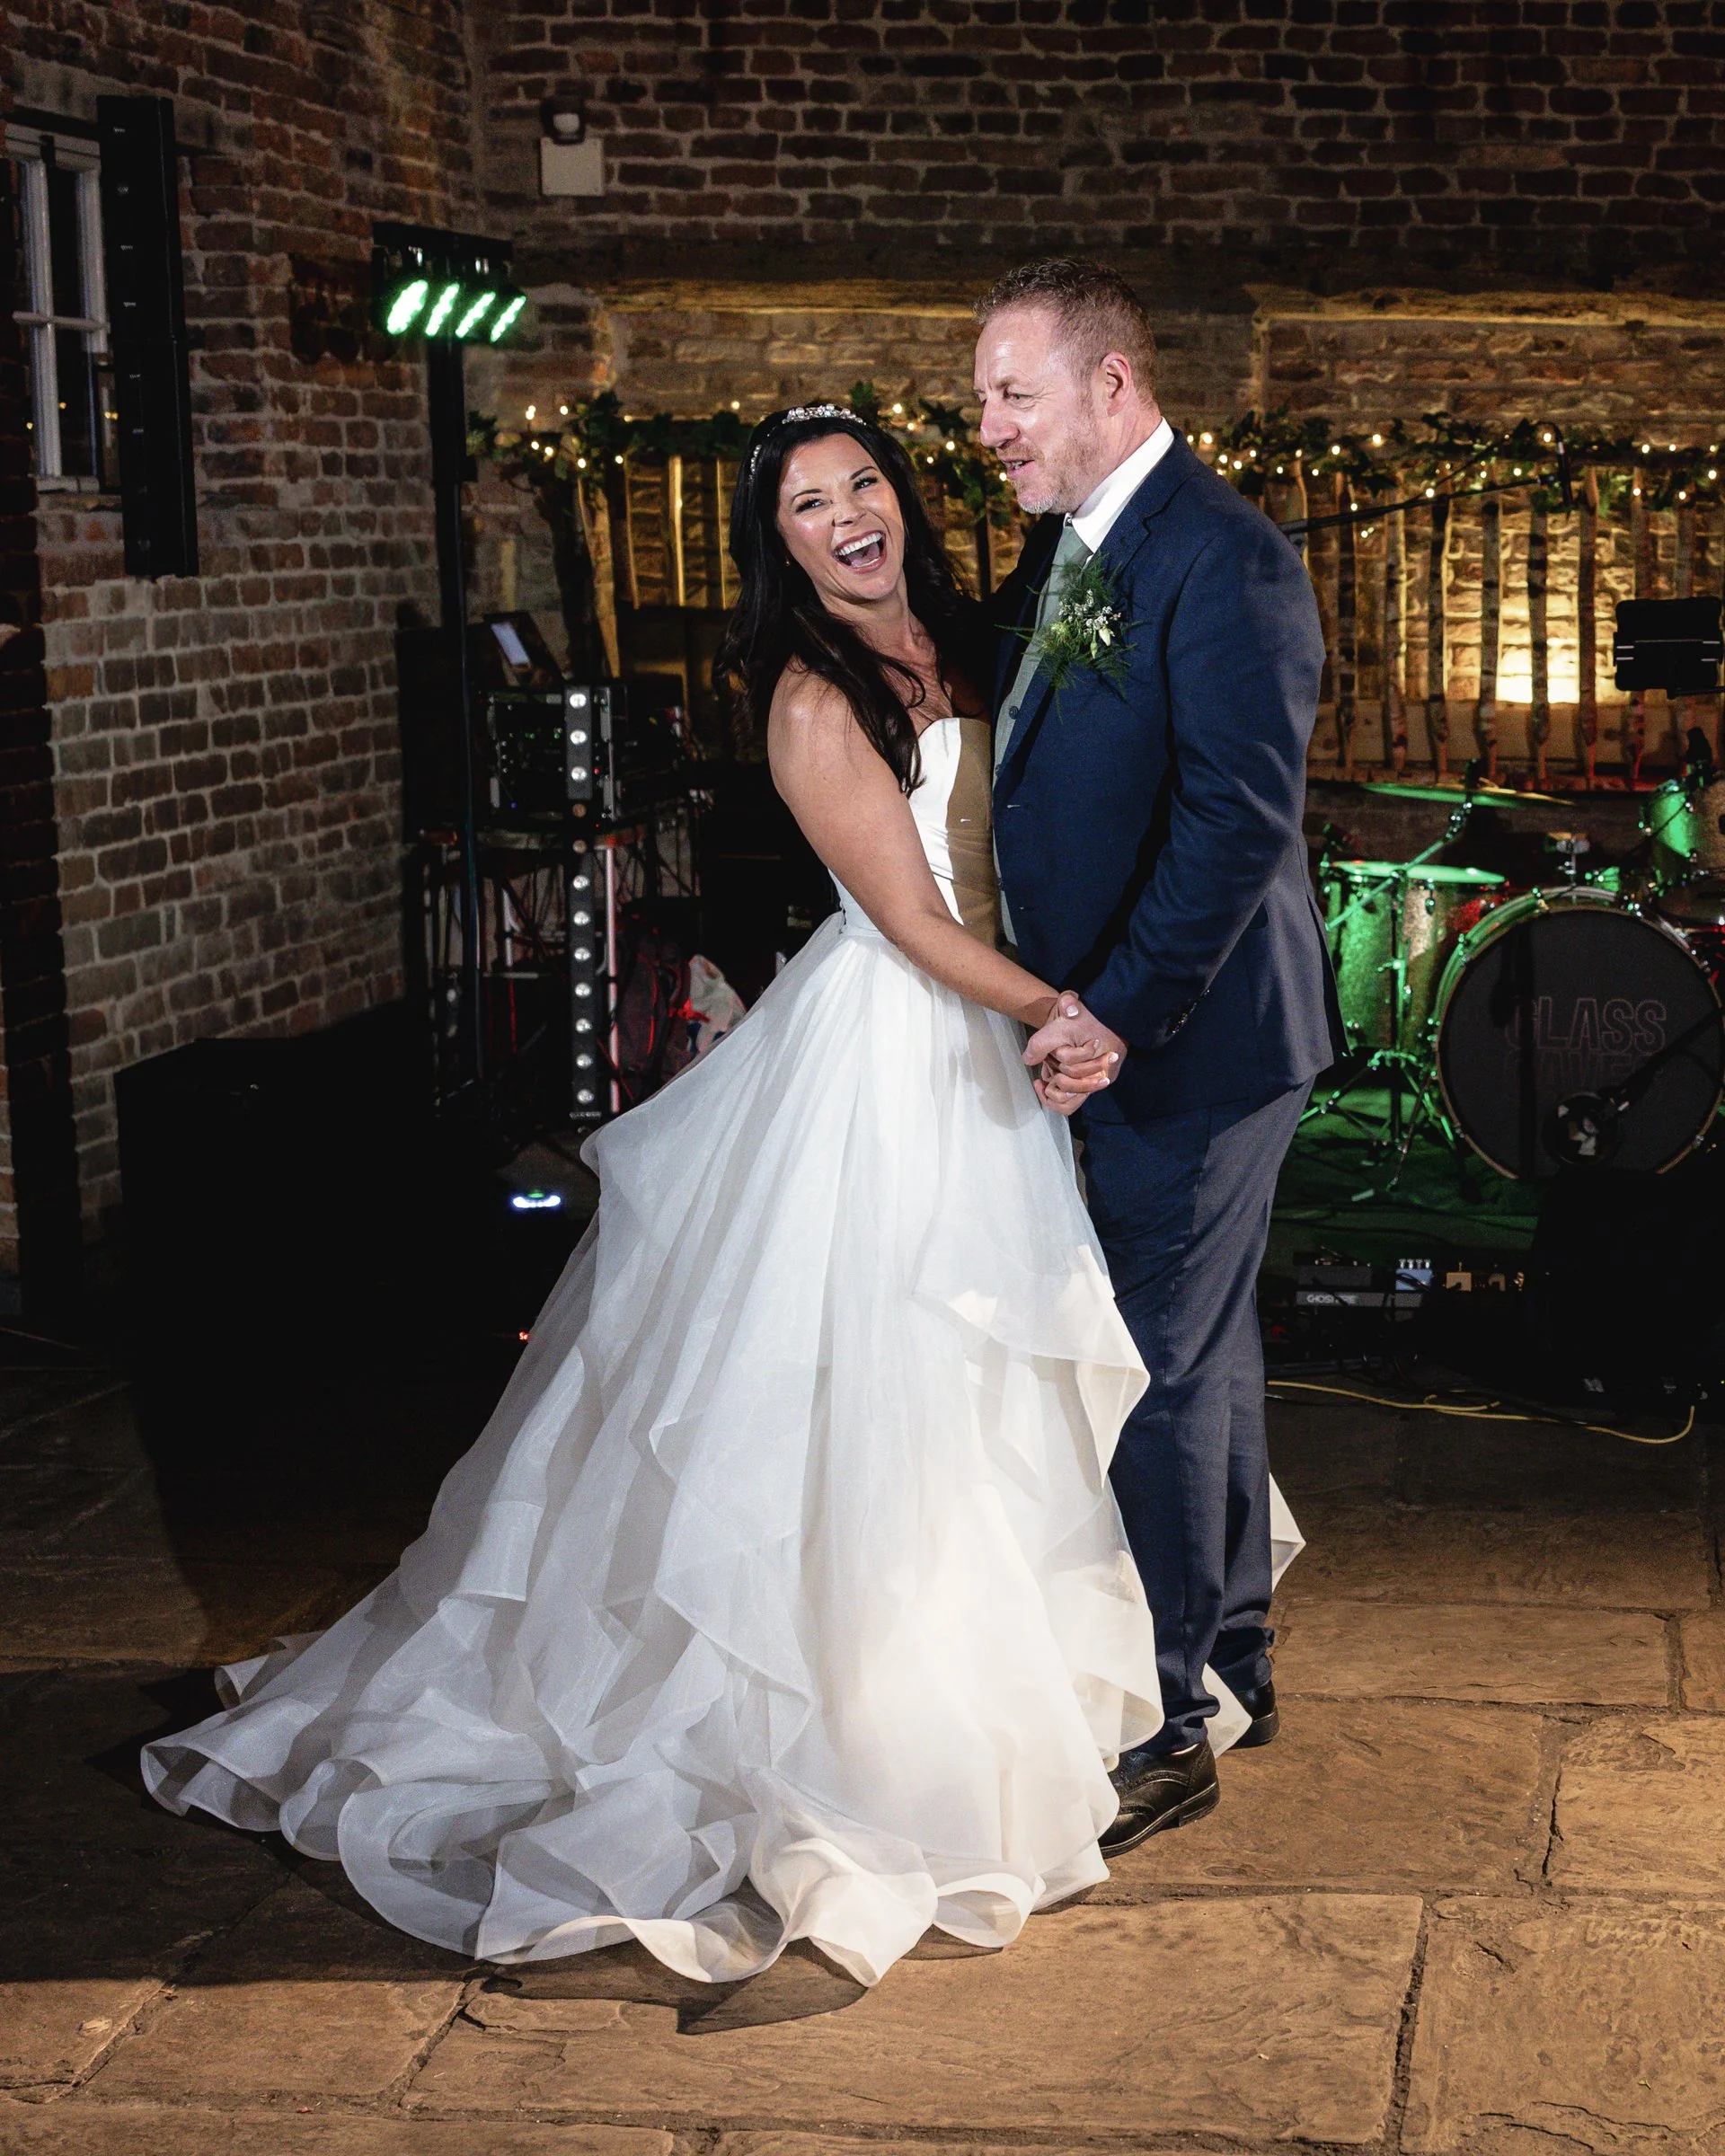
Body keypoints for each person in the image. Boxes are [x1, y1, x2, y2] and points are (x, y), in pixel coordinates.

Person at [141, 403, 1165, 1990]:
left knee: (960, 1396)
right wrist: (1061, 1013)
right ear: (778, 545)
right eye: (807, 506)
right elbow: (904, 918)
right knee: (845, 1391)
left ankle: (948, 1689)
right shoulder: (813, 702)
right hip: (902, 1053)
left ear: (902, 497)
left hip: (988, 1048)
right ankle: (820, 1724)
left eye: (862, 486)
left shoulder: (968, 636)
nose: (845, 519)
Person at [977, 260, 1346, 1854]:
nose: (985, 427)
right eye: (981, 398)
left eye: (1014, 394)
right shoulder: (1075, 542)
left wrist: (1111, 1014)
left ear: (1112, 388)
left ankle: (1168, 1716)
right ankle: (1240, 1663)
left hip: (1194, 1040)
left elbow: (1233, 825)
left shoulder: (1227, 559)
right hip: (1145, 1029)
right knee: (1205, 1356)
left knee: (1158, 1369)